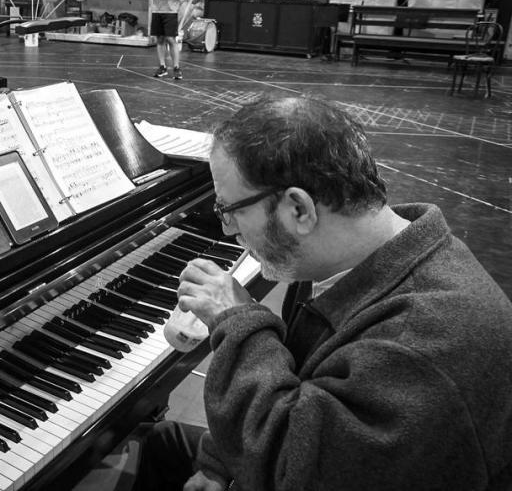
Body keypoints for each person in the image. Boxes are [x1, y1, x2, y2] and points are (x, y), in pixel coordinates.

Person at [135, 96, 512, 491]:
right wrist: (218, 463)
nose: (229, 230)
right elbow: (301, 378)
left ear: (299, 209)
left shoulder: (420, 341)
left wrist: (238, 321)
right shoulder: (353, 259)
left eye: (231, 210)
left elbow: (296, 472)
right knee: (162, 444)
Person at [147, 0, 187, 80]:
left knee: (170, 39)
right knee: (160, 39)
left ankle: (176, 67)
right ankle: (162, 67)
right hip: (157, 10)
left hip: (171, 11)